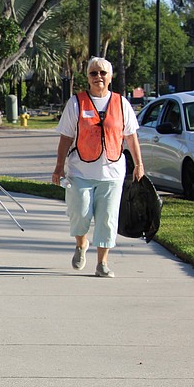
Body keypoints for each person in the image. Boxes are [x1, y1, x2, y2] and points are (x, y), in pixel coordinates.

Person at [51, 56, 145, 278]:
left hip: (112, 172)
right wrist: (59, 167)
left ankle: (102, 263)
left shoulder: (122, 104)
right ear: (88, 77)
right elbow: (65, 137)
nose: (98, 77)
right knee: (80, 212)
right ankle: (81, 244)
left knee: (107, 219)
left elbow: (131, 137)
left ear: (110, 77)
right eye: (94, 73)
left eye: (103, 73)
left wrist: (139, 164)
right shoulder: (76, 103)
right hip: (80, 170)